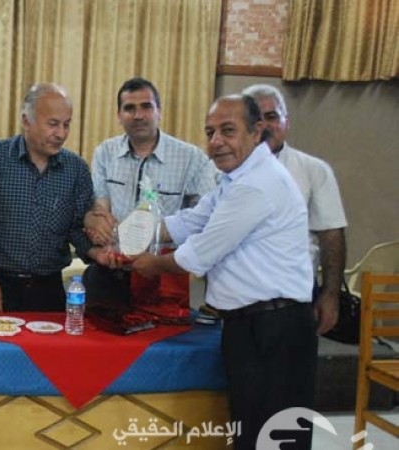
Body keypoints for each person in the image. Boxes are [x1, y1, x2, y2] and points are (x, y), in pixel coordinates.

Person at [130, 95, 316, 450]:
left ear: (256, 132)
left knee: (278, 439)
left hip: (277, 328)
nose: (215, 141)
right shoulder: (234, 181)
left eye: (227, 131)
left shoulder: (257, 184)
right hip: (247, 326)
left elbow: (199, 253)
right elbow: (190, 220)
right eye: (210, 132)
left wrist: (151, 264)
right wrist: (129, 234)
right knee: (249, 433)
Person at [0, 83, 101, 315]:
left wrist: (98, 253)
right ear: (26, 121)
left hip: (49, 290)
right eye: (52, 124)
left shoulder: (76, 169)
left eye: (66, 124)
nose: (61, 134)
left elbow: (77, 228)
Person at [83, 77, 217, 304]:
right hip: (113, 265)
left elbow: (207, 214)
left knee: (161, 329)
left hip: (162, 273)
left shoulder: (191, 158)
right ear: (119, 115)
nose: (138, 115)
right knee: (98, 324)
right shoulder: (105, 152)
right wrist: (99, 226)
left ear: (159, 112)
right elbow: (100, 206)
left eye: (146, 107)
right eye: (129, 108)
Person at [242, 84, 347, 335]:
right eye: (256, 118)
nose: (264, 126)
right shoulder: (224, 170)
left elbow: (331, 235)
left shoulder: (313, 170)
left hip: (293, 297)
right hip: (238, 296)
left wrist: (330, 295)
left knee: (293, 361)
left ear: (286, 122)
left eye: (272, 116)